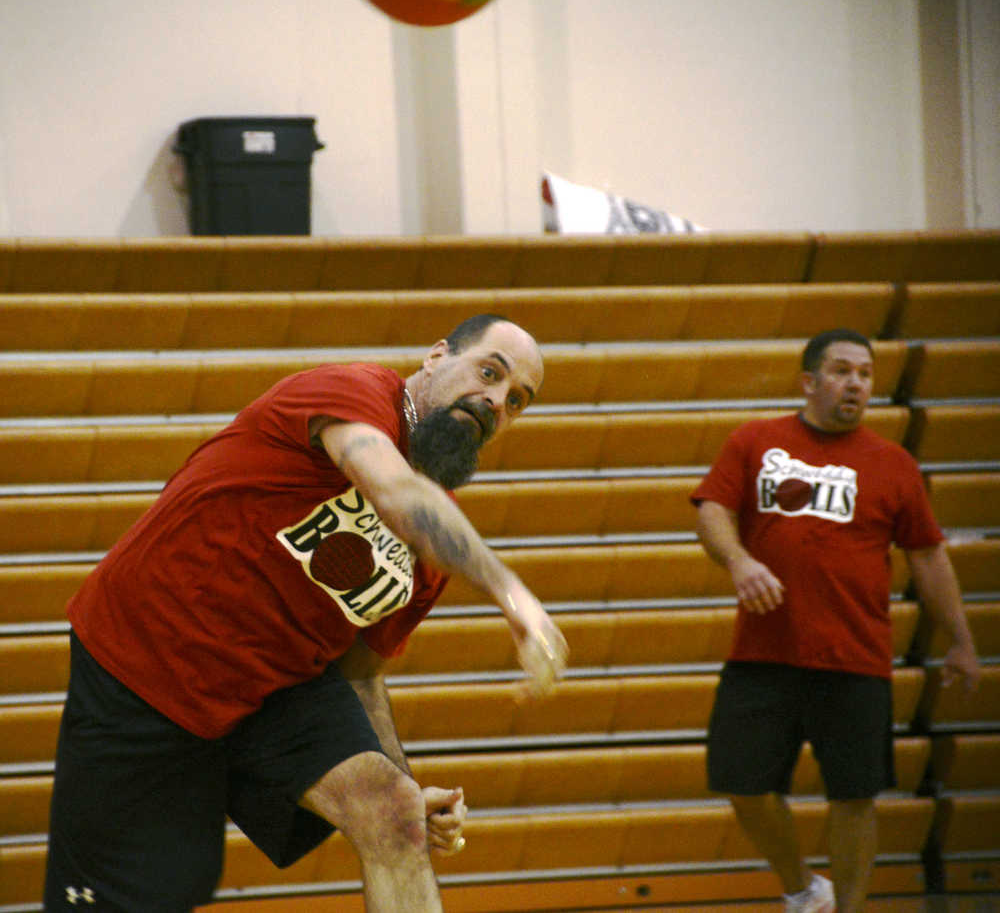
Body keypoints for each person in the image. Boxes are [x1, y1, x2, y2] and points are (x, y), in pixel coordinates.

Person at [44, 314, 568, 913]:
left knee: (393, 817)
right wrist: (514, 595)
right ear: (434, 357)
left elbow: (362, 673)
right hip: (148, 663)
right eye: (489, 372)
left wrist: (403, 786)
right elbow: (396, 494)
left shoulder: (434, 545)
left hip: (271, 685)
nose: (494, 400)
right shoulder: (355, 393)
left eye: (515, 400)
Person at [690, 328, 980, 913]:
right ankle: (803, 890)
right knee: (741, 784)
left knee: (855, 798)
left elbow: (927, 555)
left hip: (855, 656)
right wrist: (741, 560)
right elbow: (713, 509)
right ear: (809, 380)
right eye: (843, 370)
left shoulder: (894, 464)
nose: (856, 383)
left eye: (866, 374)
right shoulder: (755, 441)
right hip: (763, 655)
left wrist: (961, 640)